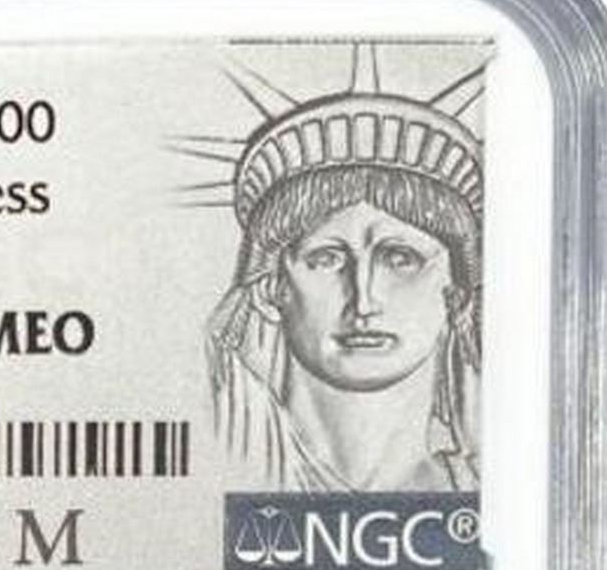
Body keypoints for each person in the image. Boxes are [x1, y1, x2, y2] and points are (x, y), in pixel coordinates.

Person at [207, 57, 483, 492]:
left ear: (457, 296)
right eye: (327, 259)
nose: (364, 300)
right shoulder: (224, 466)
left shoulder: (491, 493)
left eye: (400, 259)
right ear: (268, 289)